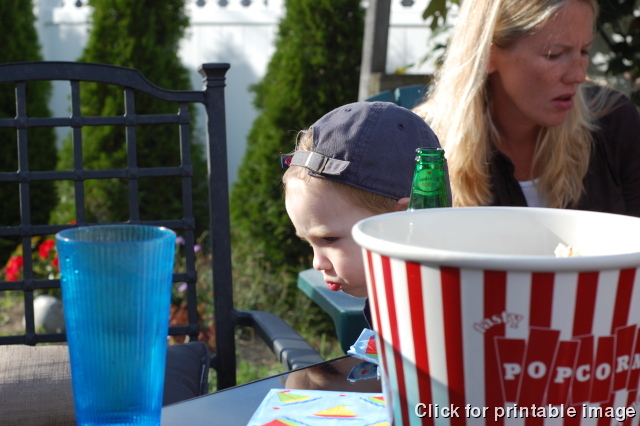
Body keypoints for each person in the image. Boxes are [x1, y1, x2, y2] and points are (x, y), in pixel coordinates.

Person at [413, 0, 640, 215]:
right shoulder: (419, 142)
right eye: (554, 55)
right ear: (488, 55)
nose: (578, 75)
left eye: (584, 51)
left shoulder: (614, 122)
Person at [281, 101, 443, 326]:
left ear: (406, 221)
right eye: (310, 243)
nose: (318, 263)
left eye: (329, 239)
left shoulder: (442, 313)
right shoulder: (398, 300)